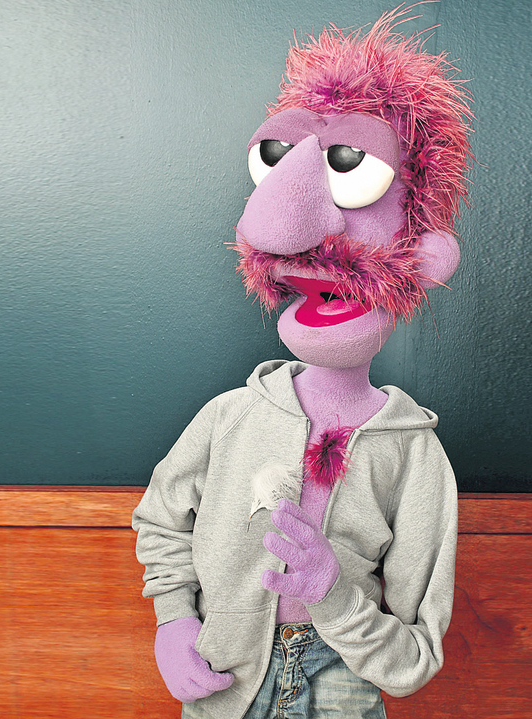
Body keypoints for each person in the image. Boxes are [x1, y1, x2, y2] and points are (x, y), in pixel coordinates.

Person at [133, 8, 473, 718]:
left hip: (343, 677)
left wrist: (335, 593)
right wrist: (173, 620)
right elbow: (162, 520)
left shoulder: (414, 455)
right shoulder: (229, 417)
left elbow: (414, 659)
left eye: (350, 166)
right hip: (224, 675)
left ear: (423, 257)